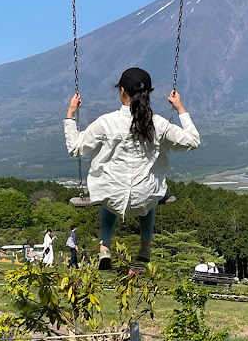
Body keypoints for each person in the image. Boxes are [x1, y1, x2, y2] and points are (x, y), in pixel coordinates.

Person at [64, 67, 200, 270]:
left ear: (121, 91)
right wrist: (180, 108)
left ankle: (105, 247)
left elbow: (75, 148)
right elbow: (192, 141)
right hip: (144, 198)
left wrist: (71, 113)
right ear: (148, 94)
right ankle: (145, 246)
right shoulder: (158, 123)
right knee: (149, 195)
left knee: (108, 193)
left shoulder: (106, 122)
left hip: (111, 196)